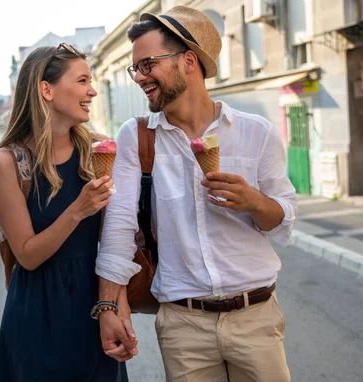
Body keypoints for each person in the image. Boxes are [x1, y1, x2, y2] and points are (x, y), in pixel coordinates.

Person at [96, 6, 297, 382]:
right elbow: (119, 227)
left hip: (256, 317)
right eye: (135, 68)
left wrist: (254, 201)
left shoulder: (257, 132)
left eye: (147, 64)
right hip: (182, 326)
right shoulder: (137, 136)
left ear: (188, 60)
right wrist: (108, 305)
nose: (140, 77)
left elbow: (283, 219)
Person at [0, 44, 129, 381]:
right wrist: (78, 210)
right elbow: (28, 255)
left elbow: (117, 241)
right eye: (81, 81)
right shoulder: (7, 163)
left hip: (95, 311)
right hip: (37, 316)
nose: (92, 91)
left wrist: (118, 309)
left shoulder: (99, 149)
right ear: (46, 90)